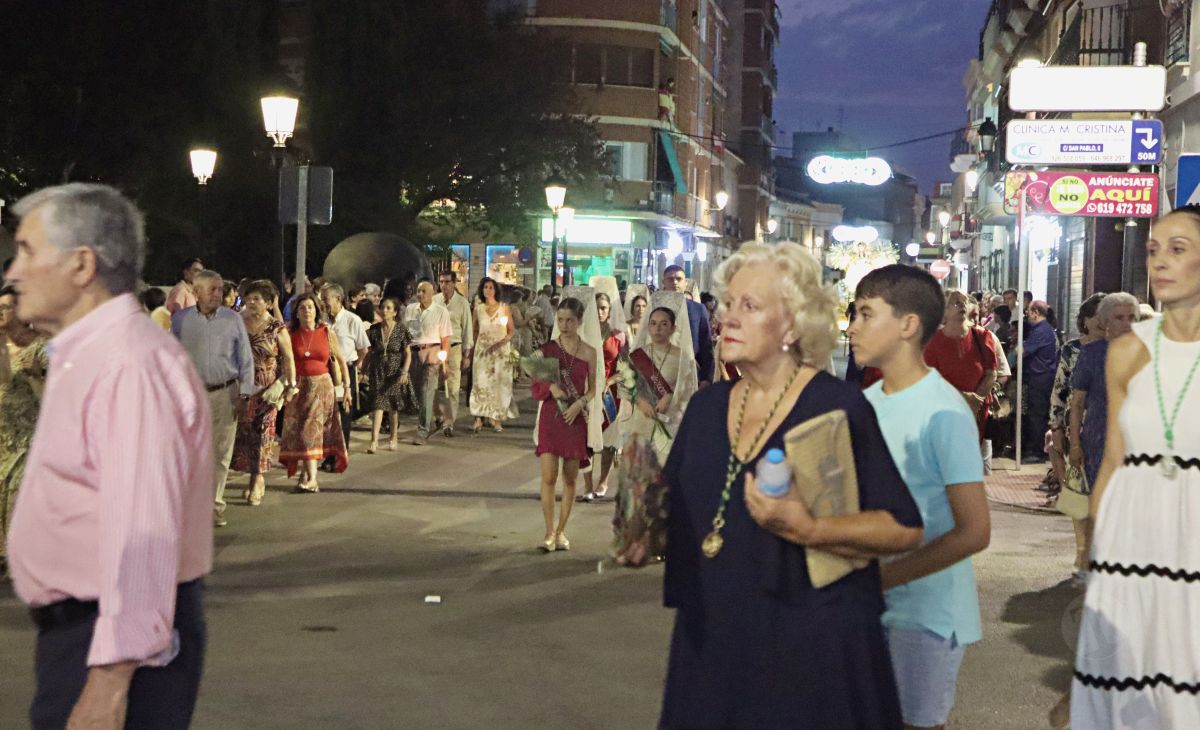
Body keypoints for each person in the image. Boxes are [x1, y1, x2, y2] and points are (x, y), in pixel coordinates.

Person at [639, 243, 923, 728]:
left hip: (808, 654)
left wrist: (811, 528)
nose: (727, 318)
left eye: (749, 306)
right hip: (711, 646)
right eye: (728, 304)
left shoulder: (835, 407)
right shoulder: (707, 410)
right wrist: (641, 530)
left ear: (792, 325)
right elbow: (675, 515)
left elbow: (903, 528)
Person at [5, 184, 211, 727]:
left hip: (107, 643)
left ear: (81, 264)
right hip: (84, 632)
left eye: (27, 251)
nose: (12, 272)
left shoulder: (126, 364)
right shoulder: (91, 355)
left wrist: (109, 682)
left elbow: (143, 529)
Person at [1072, 207, 1200, 728]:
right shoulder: (1125, 353)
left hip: (1191, 543)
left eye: (1178, 249)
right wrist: (1095, 556)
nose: (1160, 262)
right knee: (1126, 692)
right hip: (1131, 547)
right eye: (1153, 250)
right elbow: (1111, 464)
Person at [848, 264, 990, 730]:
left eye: (867, 314)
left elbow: (974, 531)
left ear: (908, 326)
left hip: (927, 614)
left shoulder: (944, 411)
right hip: (868, 606)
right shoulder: (865, 404)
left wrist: (882, 578)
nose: (852, 327)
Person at [172, 269, 256, 527]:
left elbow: (245, 359)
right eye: (213, 290)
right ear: (196, 292)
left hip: (225, 392)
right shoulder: (181, 321)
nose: (219, 295)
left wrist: (245, 393)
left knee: (220, 452)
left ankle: (214, 506)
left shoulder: (233, 320)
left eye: (221, 289)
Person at [531, 297, 596, 552]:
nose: (565, 325)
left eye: (570, 320)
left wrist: (579, 404)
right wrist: (550, 386)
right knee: (549, 476)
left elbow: (592, 389)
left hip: (574, 417)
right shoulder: (547, 349)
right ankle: (548, 531)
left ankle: (561, 531)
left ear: (579, 322)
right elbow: (534, 378)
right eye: (560, 320)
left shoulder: (590, 352)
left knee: (570, 478)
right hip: (551, 415)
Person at [1046, 293, 1105, 573]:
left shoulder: (1120, 348)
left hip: (1106, 429)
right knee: (1079, 491)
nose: (1104, 321)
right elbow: (1060, 391)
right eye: (1098, 315)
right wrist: (1056, 427)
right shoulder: (1072, 350)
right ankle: (1083, 551)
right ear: (1085, 320)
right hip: (1075, 428)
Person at [231, 280, 297, 507]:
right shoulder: (237, 323)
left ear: (269, 303)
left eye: (257, 299)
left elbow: (288, 358)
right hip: (242, 389)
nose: (251, 303)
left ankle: (256, 481)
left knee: (263, 434)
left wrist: (290, 385)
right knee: (243, 435)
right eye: (249, 298)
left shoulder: (276, 328)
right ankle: (249, 475)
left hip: (267, 390)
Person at [1069, 292, 1138, 498]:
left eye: (1132, 317)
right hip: (1099, 441)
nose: (1127, 323)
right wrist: (1075, 444)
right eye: (1119, 317)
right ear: (1105, 321)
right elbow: (1077, 403)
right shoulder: (1091, 354)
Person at [279, 293, 350, 491]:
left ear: (317, 310)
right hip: (298, 388)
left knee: (313, 431)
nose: (307, 311)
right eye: (302, 308)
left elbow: (340, 360)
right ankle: (307, 475)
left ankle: (312, 478)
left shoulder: (326, 332)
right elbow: (285, 361)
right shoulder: (291, 333)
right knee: (301, 432)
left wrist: (347, 387)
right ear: (297, 313)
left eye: (310, 307)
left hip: (322, 388)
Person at [0, 285, 47, 577]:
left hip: (30, 437)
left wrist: (38, 374)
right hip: (2, 437)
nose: (0, 312)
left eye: (6, 306)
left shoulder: (45, 345)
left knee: (19, 494)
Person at [622, 294, 697, 466]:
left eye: (664, 324)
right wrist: (641, 402)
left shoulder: (682, 357)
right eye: (653, 324)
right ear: (647, 327)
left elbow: (688, 389)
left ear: (673, 328)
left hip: (670, 421)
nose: (658, 329)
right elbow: (626, 385)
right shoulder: (637, 356)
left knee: (665, 472)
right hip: (641, 419)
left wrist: (670, 397)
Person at [923, 289, 998, 439]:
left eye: (964, 301)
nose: (962, 304)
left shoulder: (982, 336)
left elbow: (991, 373)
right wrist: (961, 397)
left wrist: (976, 399)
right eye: (955, 302)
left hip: (976, 412)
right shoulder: (932, 342)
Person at [582, 283, 628, 501]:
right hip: (588, 390)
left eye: (604, 308)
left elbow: (628, 365)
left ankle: (603, 481)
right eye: (597, 307)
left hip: (610, 393)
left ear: (610, 311)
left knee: (609, 439)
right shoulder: (583, 334)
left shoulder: (618, 335)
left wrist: (612, 379)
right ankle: (588, 484)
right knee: (587, 439)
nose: (600, 312)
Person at [321, 283, 369, 458]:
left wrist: (355, 367)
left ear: (338, 299)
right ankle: (328, 454)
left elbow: (363, 348)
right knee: (327, 415)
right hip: (326, 371)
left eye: (326, 299)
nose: (323, 303)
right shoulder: (322, 321)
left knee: (343, 415)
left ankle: (341, 454)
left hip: (346, 371)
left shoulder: (352, 320)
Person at [406, 281, 452, 445]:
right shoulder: (411, 310)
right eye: (418, 291)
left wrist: (444, 361)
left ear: (432, 293)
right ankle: (438, 415)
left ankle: (422, 430)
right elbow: (408, 332)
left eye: (424, 291)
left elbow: (445, 338)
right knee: (421, 392)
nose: (420, 294)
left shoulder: (441, 312)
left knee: (426, 390)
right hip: (414, 353)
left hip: (432, 352)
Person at [365, 297, 413, 452]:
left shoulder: (401, 330)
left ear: (395, 312)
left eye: (388, 308)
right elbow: (368, 352)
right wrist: (363, 369)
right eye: (383, 307)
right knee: (378, 405)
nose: (384, 311)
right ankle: (374, 441)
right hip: (378, 370)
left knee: (393, 406)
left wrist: (405, 371)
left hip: (394, 371)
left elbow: (407, 353)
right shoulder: (374, 330)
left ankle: (393, 437)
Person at [469, 277, 516, 434]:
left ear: (495, 290)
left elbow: (511, 330)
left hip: (501, 351)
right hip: (482, 351)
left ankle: (496, 418)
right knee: (480, 384)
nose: (488, 290)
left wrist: (502, 342)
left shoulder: (504, 308)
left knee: (499, 385)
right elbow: (474, 330)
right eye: (485, 287)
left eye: (491, 287)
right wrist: (471, 349)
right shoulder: (478, 308)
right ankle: (478, 417)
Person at [661, 265, 714, 386]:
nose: (674, 282)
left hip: (691, 373)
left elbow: (706, 345)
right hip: (661, 373)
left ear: (685, 283)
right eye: (670, 279)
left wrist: (706, 378)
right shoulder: (655, 308)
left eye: (679, 279)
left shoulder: (698, 309)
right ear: (663, 282)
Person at [1021, 300, 1060, 462]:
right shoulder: (1045, 330)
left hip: (1040, 377)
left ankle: (1037, 452)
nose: (1027, 316)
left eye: (1028, 312)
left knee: (1037, 414)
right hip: (1042, 376)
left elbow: (1023, 351)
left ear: (1035, 312)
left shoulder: (1041, 331)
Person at [436, 272, 473, 437]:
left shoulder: (462, 303)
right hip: (435, 347)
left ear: (454, 283)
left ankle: (449, 422)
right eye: (441, 282)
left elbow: (467, 329)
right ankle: (438, 415)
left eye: (447, 282)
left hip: (454, 347)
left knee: (452, 387)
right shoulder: (435, 300)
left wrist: (467, 354)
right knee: (433, 386)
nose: (444, 285)